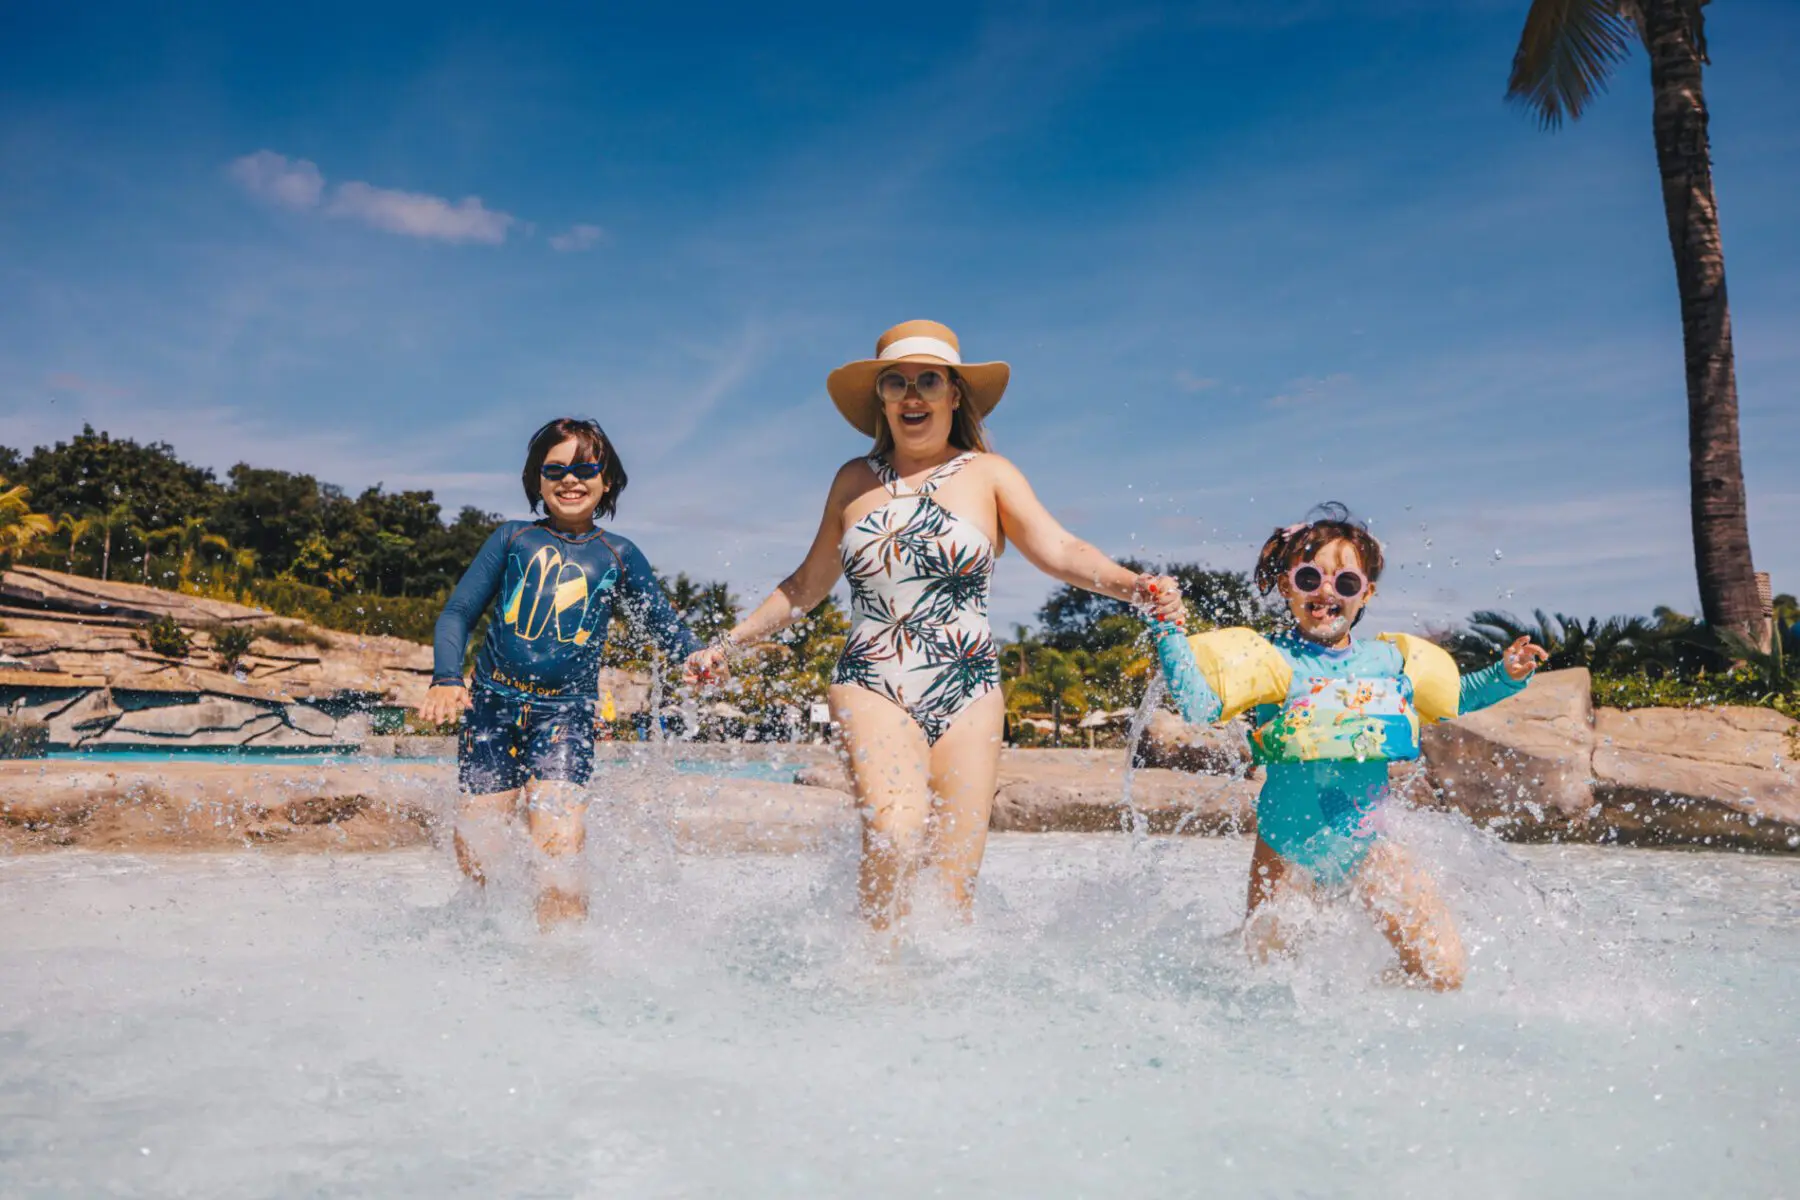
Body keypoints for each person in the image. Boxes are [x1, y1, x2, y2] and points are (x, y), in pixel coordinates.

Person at [685, 320, 1184, 929]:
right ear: (882, 400)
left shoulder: (990, 474)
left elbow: (1060, 549)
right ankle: (869, 976)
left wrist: (1135, 586)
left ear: (954, 395)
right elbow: (806, 586)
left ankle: (925, 1015)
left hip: (968, 689)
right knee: (894, 834)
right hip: (871, 678)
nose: (913, 394)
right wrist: (728, 643)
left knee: (952, 893)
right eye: (896, 383)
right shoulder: (852, 480)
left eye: (929, 381)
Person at [1149, 504, 1546, 989]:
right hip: (1284, 849)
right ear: (1286, 584)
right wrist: (1168, 629)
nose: (1325, 593)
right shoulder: (1272, 661)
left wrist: (1506, 675)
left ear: (1366, 594)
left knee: (1442, 972)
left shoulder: (1388, 661)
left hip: (1369, 844)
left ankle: (1367, 1007)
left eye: (1346, 583)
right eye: (1310, 577)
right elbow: (1198, 705)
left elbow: (1454, 697)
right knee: (1260, 981)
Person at [419, 417, 703, 929]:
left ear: (606, 479)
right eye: (556, 470)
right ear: (537, 481)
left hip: (565, 714)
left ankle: (561, 959)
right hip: (491, 707)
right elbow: (457, 614)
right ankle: (485, 936)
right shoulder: (512, 538)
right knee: (478, 845)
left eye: (584, 469)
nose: (570, 481)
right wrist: (446, 677)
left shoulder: (618, 553)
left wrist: (697, 655)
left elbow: (665, 626)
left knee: (561, 848)